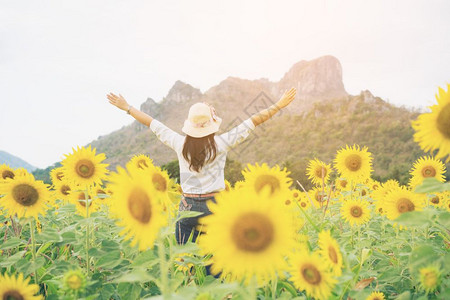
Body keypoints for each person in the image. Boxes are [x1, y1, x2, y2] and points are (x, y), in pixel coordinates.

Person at [107, 87, 297, 244]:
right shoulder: (221, 144)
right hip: (214, 206)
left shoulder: (179, 143)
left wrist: (127, 107)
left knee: (184, 261)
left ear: (189, 125)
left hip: (187, 206)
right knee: (213, 263)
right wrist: (279, 104)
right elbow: (254, 120)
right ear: (211, 125)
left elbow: (152, 123)